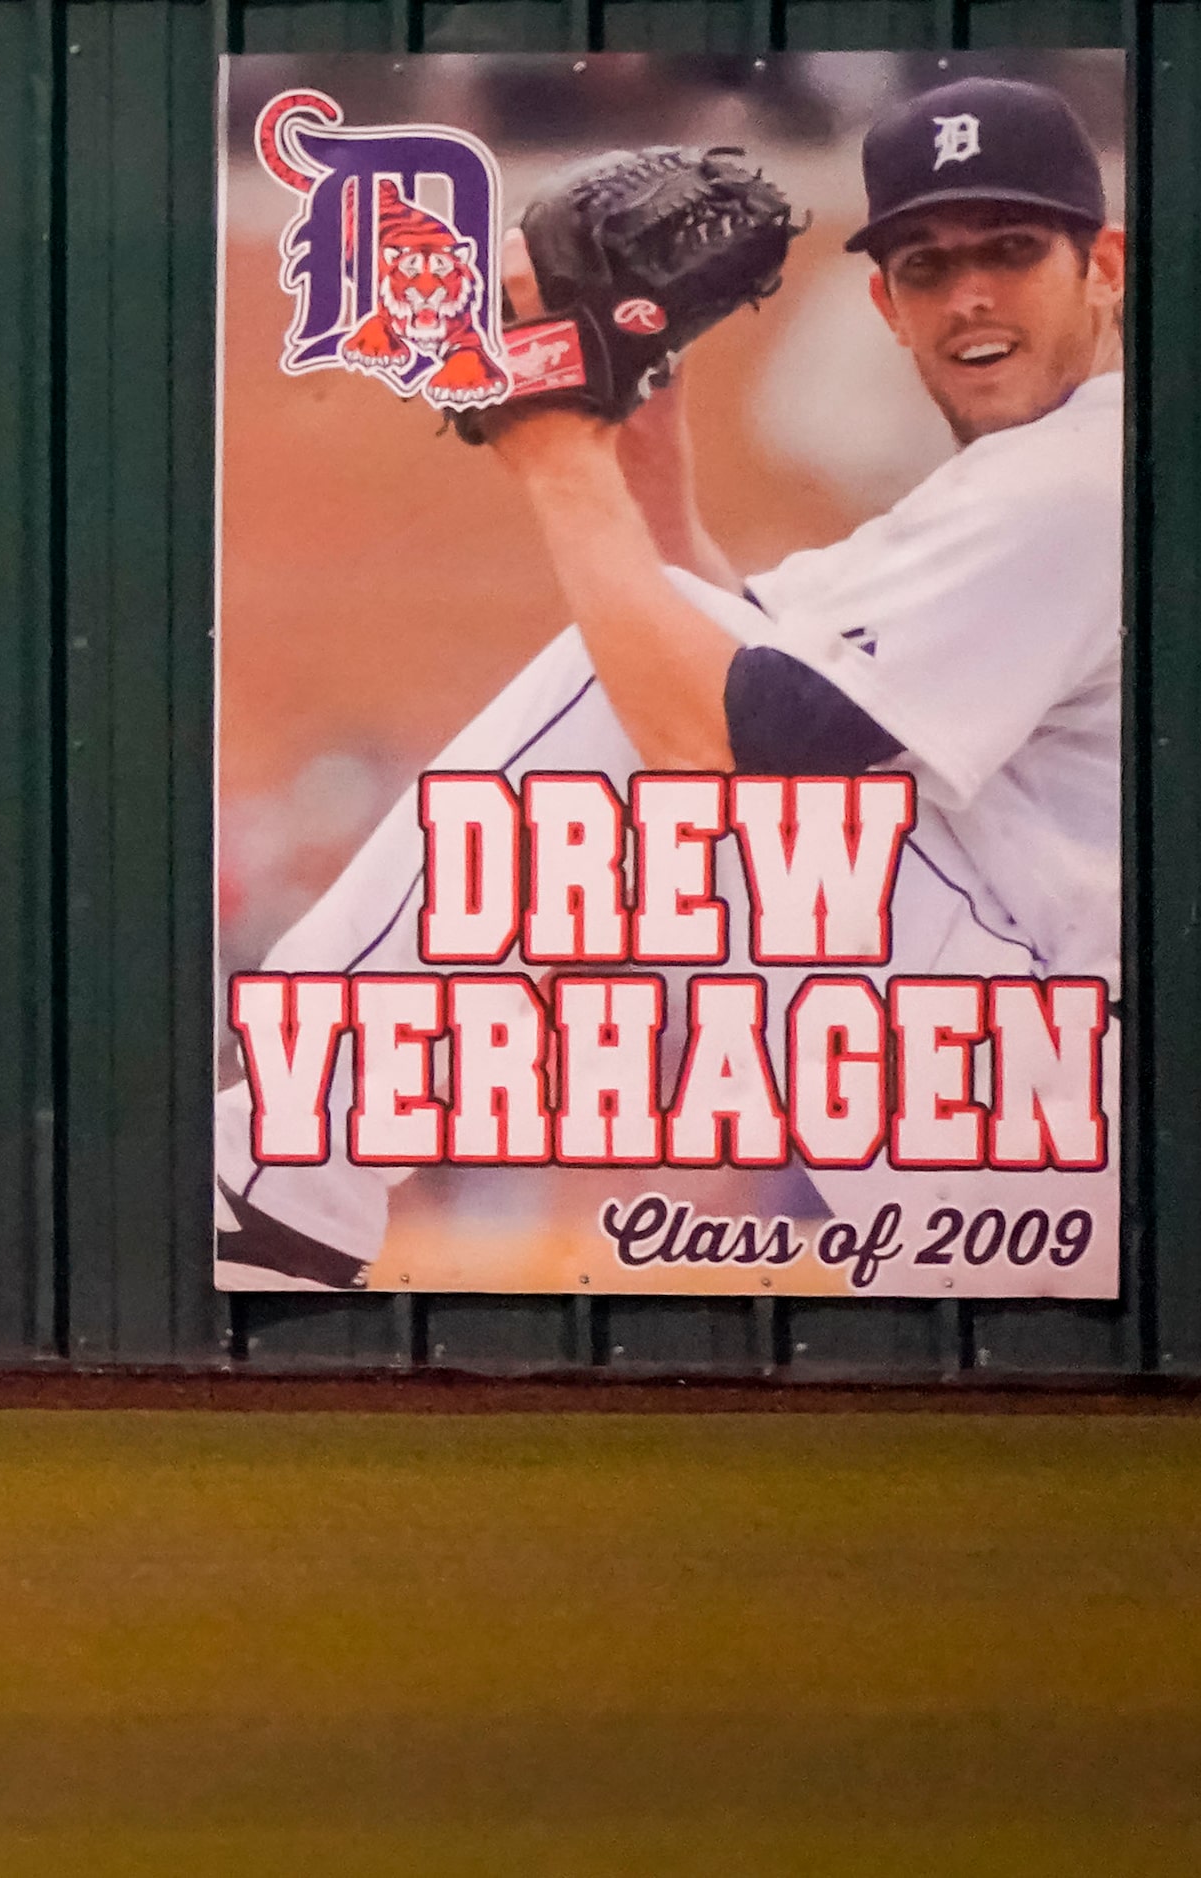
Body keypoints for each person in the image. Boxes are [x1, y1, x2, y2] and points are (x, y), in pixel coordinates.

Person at [218, 75, 1125, 1288]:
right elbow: (731, 678)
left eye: (1012, 250)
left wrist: (556, 457)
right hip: (1034, 1104)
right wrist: (634, 423)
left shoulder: (1085, 469)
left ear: (1103, 266)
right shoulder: (1035, 488)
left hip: (1059, 1092)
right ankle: (291, 1144)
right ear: (886, 307)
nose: (968, 293)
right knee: (668, 697)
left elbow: (734, 740)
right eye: (924, 264)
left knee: (647, 708)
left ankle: (283, 1149)